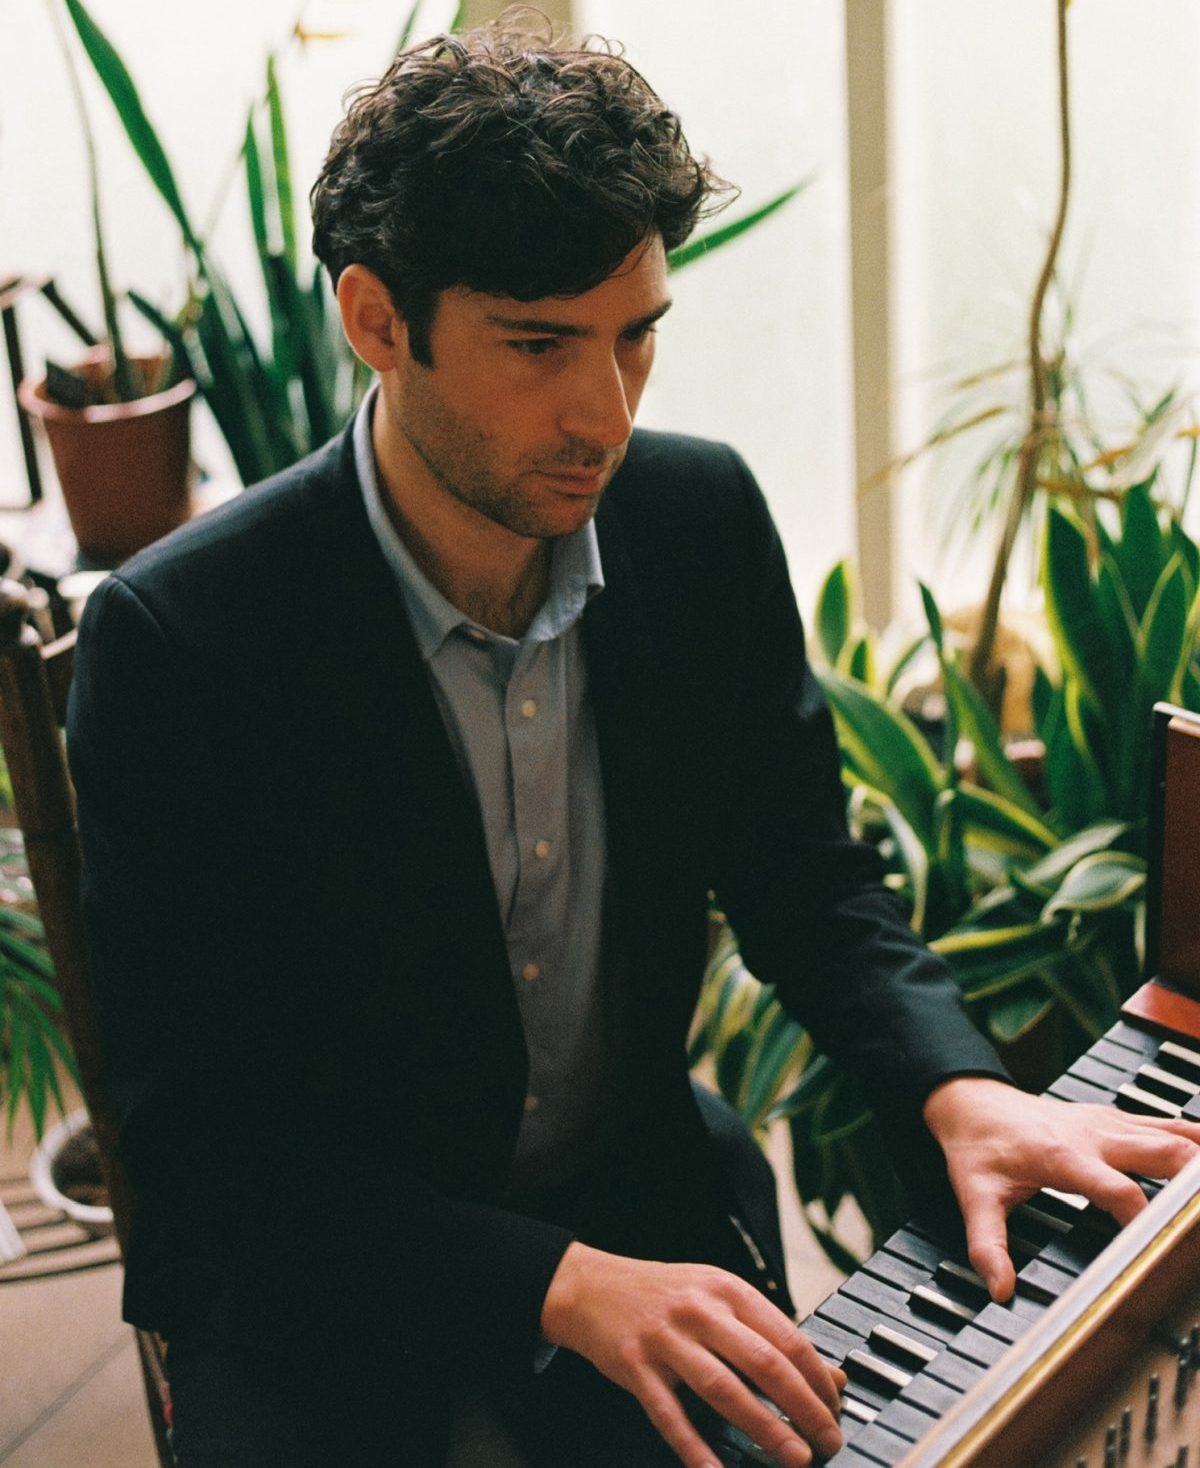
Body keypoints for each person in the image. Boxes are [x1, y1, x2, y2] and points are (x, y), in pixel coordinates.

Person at [66, 20, 1200, 1468]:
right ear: (378, 320)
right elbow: (210, 1163)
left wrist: (959, 1086)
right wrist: (554, 1284)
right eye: (540, 345)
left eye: (637, 335)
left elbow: (810, 883)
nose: (603, 415)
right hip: (334, 1282)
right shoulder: (183, 643)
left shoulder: (696, 521)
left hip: (638, 1204)